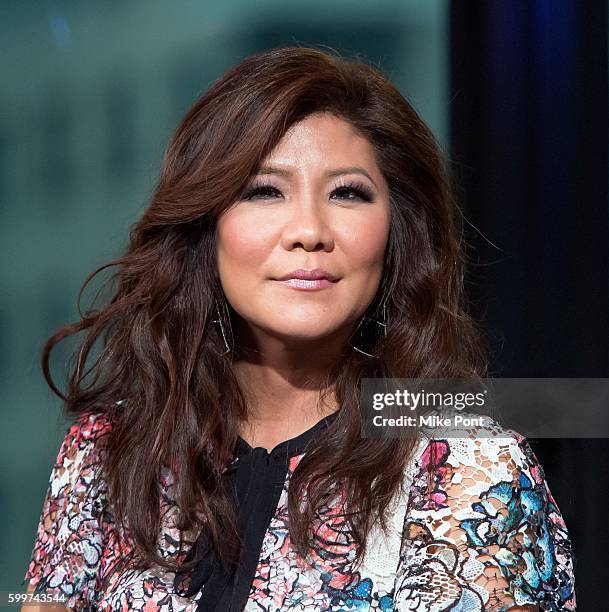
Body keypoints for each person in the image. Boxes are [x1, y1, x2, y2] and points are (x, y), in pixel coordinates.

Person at [21, 46, 576, 611]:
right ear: (206, 227)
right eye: (265, 191)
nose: (309, 230)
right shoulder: (111, 452)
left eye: (348, 193)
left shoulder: (464, 462)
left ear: (396, 233)